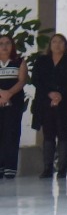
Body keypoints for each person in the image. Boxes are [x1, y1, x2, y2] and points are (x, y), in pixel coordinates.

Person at [30, 33, 67, 179]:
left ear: (65, 45)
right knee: (48, 134)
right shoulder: (42, 61)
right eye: (54, 42)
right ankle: (47, 168)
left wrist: (59, 94)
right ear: (50, 45)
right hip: (45, 101)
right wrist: (50, 93)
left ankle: (62, 169)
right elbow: (36, 80)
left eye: (61, 42)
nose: (57, 45)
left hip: (65, 101)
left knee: (63, 134)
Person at [0, 34, 27, 179]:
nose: (4, 46)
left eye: (7, 43)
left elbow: (22, 81)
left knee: (11, 133)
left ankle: (10, 167)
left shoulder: (19, 61)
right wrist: (1, 95)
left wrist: (8, 94)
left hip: (14, 102)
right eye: (1, 43)